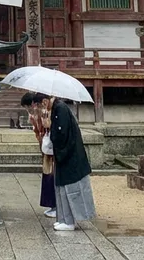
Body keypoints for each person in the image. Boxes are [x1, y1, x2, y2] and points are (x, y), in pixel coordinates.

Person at [49, 96, 96, 231]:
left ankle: (69, 221)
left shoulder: (61, 109)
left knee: (72, 189)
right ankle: (64, 218)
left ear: (45, 101)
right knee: (62, 189)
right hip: (64, 154)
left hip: (69, 154)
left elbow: (62, 133)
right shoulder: (57, 109)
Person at [21, 92, 56, 218]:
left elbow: (48, 128)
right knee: (47, 176)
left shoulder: (46, 112)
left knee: (52, 176)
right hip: (46, 148)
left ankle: (56, 206)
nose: (29, 110)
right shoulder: (38, 113)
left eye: (28, 107)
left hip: (52, 150)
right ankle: (52, 205)